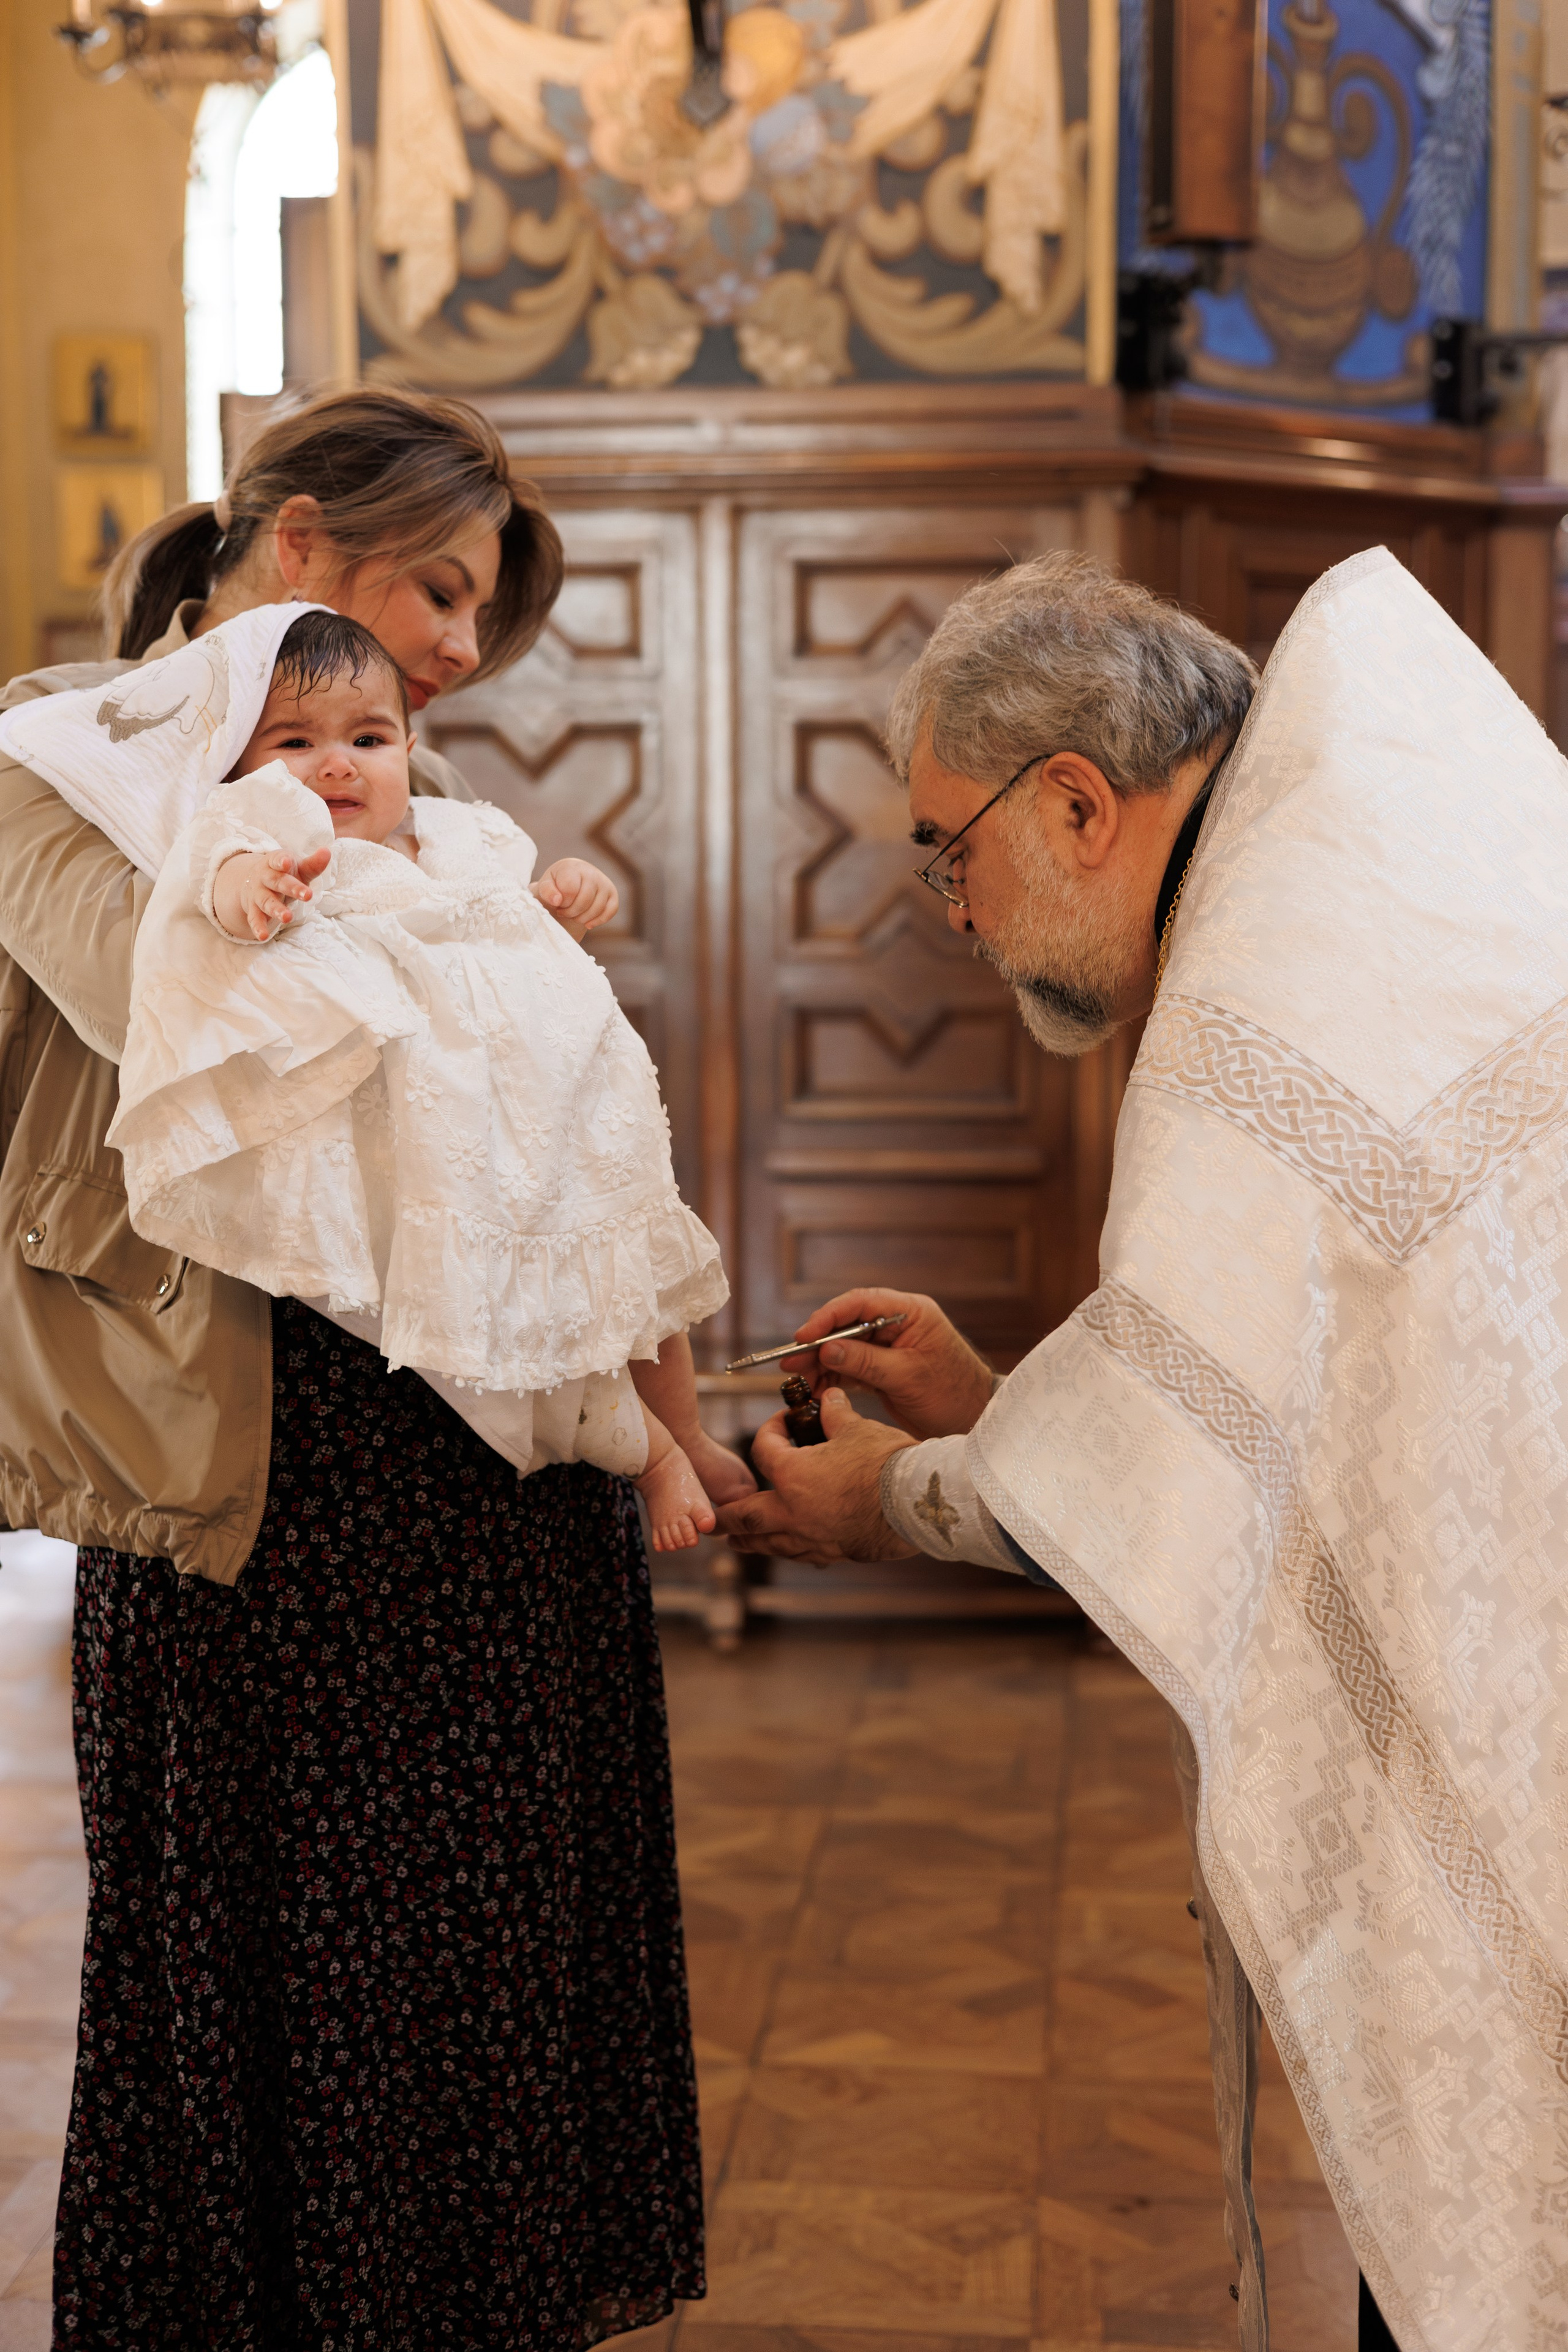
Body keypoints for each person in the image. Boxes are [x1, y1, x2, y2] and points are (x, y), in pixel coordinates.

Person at [717, 546, 1568, 2352]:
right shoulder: (1368, 857)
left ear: (1082, 802)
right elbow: (1296, 1393)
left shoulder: (1260, 998)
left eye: (949, 847)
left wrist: (890, 1500)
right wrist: (1000, 1407)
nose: (951, 906)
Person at [0, 388, 726, 2346]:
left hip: (500, 1447)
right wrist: (458, 925)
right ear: (303, 543)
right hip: (260, 1467)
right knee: (280, 1973)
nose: (460, 659)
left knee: (485, 1962)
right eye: (442, 594)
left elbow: (529, 1061)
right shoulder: (65, 763)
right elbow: (202, 996)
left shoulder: (383, 783)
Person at [1, 601, 747, 1551]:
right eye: (295, 740)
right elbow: (211, 885)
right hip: (435, 1162)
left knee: (628, 1288)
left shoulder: (451, 833)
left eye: (369, 737)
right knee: (515, 1357)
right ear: (234, 759)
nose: (338, 763)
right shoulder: (260, 829)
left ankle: (681, 1429)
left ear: (411, 744)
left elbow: (501, 931)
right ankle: (648, 1452)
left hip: (535, 1121)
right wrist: (250, 892)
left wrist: (557, 898)